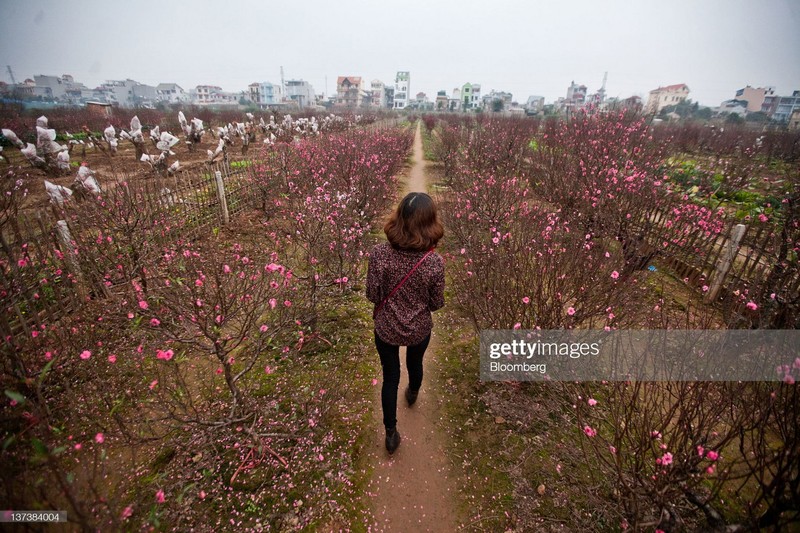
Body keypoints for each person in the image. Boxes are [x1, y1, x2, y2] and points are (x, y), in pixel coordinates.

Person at [366, 192, 445, 454]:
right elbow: (435, 304)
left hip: (386, 328)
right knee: (415, 364)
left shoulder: (379, 254)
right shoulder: (434, 262)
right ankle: (412, 392)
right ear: (430, 223)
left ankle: (390, 433)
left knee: (390, 377)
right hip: (419, 330)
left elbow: (372, 295)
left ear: (398, 217)